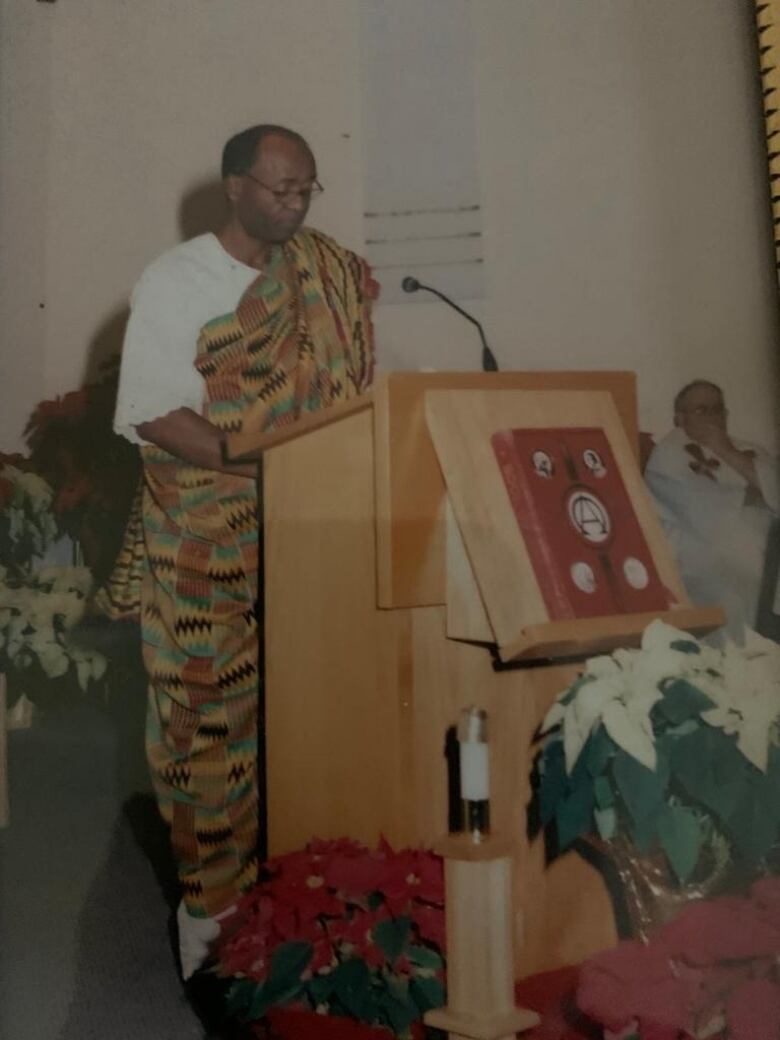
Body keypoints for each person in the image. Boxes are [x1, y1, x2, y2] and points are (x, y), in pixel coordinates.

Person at [107, 124, 376, 977]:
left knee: (309, 714)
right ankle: (210, 918)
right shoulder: (176, 280)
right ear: (233, 187)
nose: (294, 204)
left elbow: (351, 389)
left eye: (306, 190)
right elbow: (153, 410)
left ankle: (302, 898)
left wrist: (311, 472)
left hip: (312, 530)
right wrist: (266, 463)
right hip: (204, 537)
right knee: (208, 722)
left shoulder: (324, 270)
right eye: (278, 190)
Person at [645, 380, 779, 640]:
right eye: (701, 410)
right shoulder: (669, 453)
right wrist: (756, 493)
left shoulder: (748, 449)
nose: (711, 417)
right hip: (705, 549)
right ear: (679, 418)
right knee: (748, 569)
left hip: (765, 540)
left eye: (718, 410)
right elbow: (701, 511)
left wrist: (725, 450)